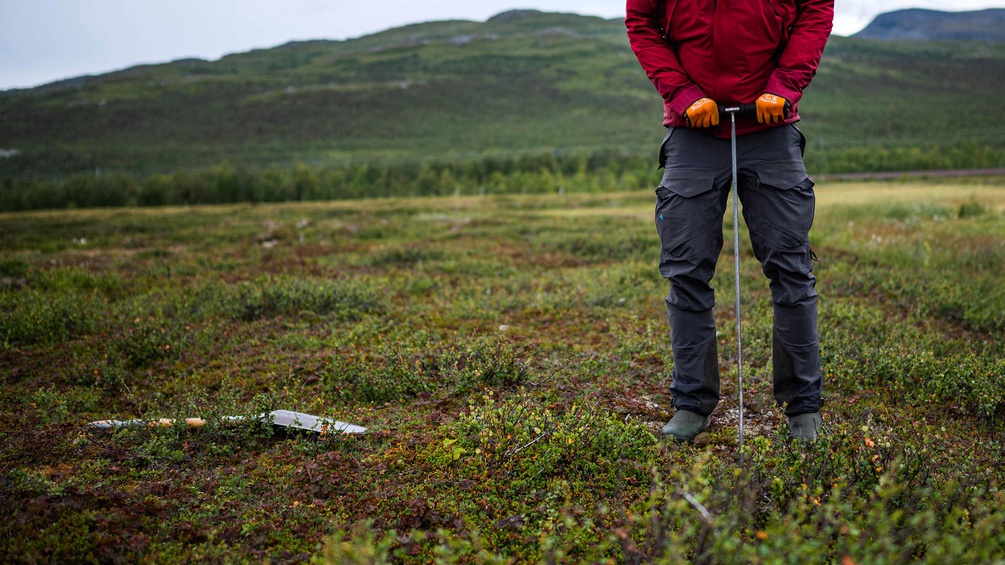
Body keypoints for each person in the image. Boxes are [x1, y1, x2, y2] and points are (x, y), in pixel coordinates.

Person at [625, 0, 834, 442]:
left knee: (792, 270)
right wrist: (683, 96)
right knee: (686, 271)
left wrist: (785, 88)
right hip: (691, 130)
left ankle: (803, 407)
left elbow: (816, 7)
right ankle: (691, 402)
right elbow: (641, 20)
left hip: (772, 124)